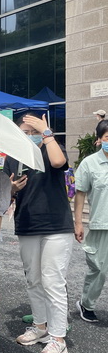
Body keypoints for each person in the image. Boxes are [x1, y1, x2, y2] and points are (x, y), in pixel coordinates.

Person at [4, 113, 73, 353]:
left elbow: (58, 162)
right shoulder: (13, 156)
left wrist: (46, 133)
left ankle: (58, 338)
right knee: (33, 279)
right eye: (26, 132)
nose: (30, 136)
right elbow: (6, 191)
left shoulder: (51, 147)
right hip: (27, 224)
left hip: (56, 225)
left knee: (53, 281)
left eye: (34, 131)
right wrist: (12, 189)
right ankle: (40, 326)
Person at [74, 120, 108, 322]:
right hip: (101, 224)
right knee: (99, 270)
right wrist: (78, 223)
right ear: (99, 139)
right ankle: (86, 303)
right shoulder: (89, 163)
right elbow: (80, 194)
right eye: (107, 137)